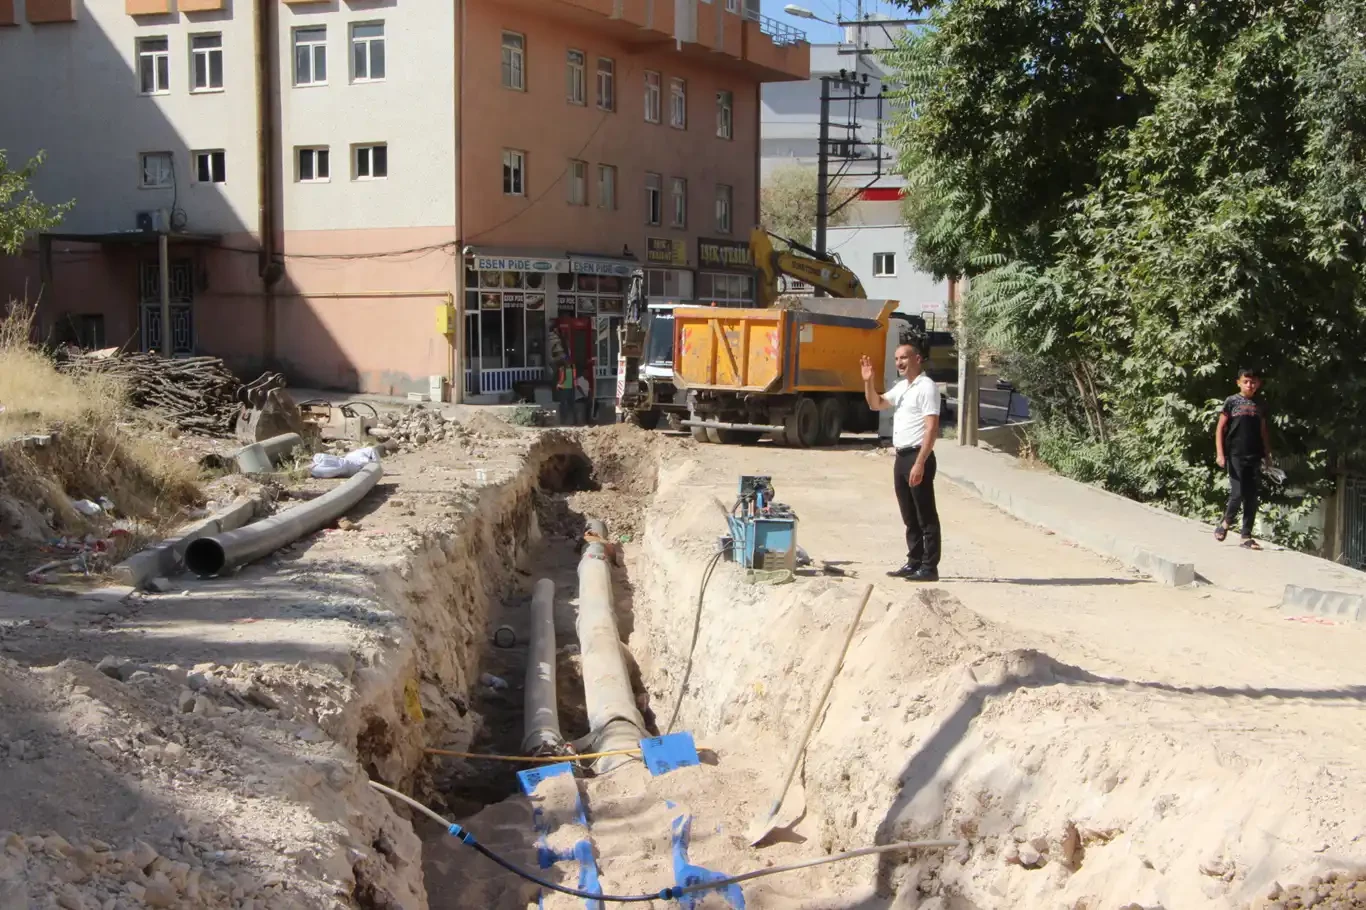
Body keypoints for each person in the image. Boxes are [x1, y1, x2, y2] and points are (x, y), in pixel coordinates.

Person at [861, 342, 942, 582]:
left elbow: (931, 428)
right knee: (909, 515)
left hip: (918, 456)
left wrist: (920, 463)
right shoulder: (903, 387)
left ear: (917, 358)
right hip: (901, 457)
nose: (899, 363)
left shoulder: (926, 387)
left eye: (904, 358)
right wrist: (868, 381)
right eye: (897, 359)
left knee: (925, 515)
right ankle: (914, 561)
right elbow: (875, 404)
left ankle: (929, 567)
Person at [1214, 368, 1273, 549]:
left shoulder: (1260, 404)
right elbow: (1220, 429)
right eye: (1246, 381)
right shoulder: (1231, 402)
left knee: (1252, 497)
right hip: (1235, 455)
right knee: (1237, 493)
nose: (1249, 385)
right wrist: (1220, 454)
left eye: (1253, 382)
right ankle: (1225, 523)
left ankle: (1245, 537)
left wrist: (1268, 454)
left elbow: (1263, 431)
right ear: (1238, 382)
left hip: (1254, 455)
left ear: (1258, 384)